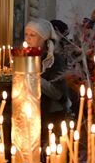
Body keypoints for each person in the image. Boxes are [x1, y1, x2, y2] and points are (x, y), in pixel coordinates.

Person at [24, 18, 70, 147]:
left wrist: (32, 76)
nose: (27, 39)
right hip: (27, 113)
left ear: (43, 39)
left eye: (32, 35)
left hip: (49, 114)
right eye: (26, 34)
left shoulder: (55, 60)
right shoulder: (21, 56)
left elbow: (57, 93)